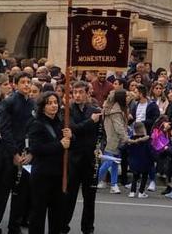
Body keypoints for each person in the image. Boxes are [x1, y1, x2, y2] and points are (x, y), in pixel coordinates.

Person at [0, 72, 34, 234]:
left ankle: (14, 225)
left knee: (21, 193)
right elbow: (5, 129)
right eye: (23, 82)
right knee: (2, 192)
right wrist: (14, 153)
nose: (27, 85)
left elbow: (34, 130)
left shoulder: (33, 103)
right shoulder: (9, 102)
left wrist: (30, 153)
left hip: (26, 154)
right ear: (15, 84)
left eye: (29, 81)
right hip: (8, 154)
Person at [27, 92, 71, 234]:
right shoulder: (36, 124)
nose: (54, 106)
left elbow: (69, 144)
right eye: (49, 103)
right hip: (42, 174)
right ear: (42, 106)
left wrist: (71, 137)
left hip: (59, 174)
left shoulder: (60, 122)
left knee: (57, 213)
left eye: (55, 102)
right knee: (38, 212)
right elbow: (36, 148)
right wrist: (59, 145)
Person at [62, 80, 102, 234]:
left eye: (80, 92)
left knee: (89, 198)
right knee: (69, 196)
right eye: (74, 92)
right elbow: (73, 129)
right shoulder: (68, 110)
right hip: (73, 159)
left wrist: (100, 148)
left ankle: (88, 228)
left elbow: (100, 133)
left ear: (87, 93)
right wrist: (90, 121)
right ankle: (63, 226)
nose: (77, 95)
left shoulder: (95, 109)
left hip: (90, 159)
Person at [96, 90, 128, 194]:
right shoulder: (116, 112)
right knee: (109, 162)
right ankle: (94, 181)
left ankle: (114, 185)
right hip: (114, 139)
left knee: (115, 162)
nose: (127, 97)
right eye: (126, 96)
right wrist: (125, 138)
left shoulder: (111, 108)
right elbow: (119, 127)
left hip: (112, 138)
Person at [124, 121, 151, 199]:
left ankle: (132, 191)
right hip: (145, 161)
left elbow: (125, 148)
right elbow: (150, 150)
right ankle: (141, 192)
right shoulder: (147, 139)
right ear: (143, 129)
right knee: (144, 176)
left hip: (133, 160)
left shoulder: (131, 139)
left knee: (135, 176)